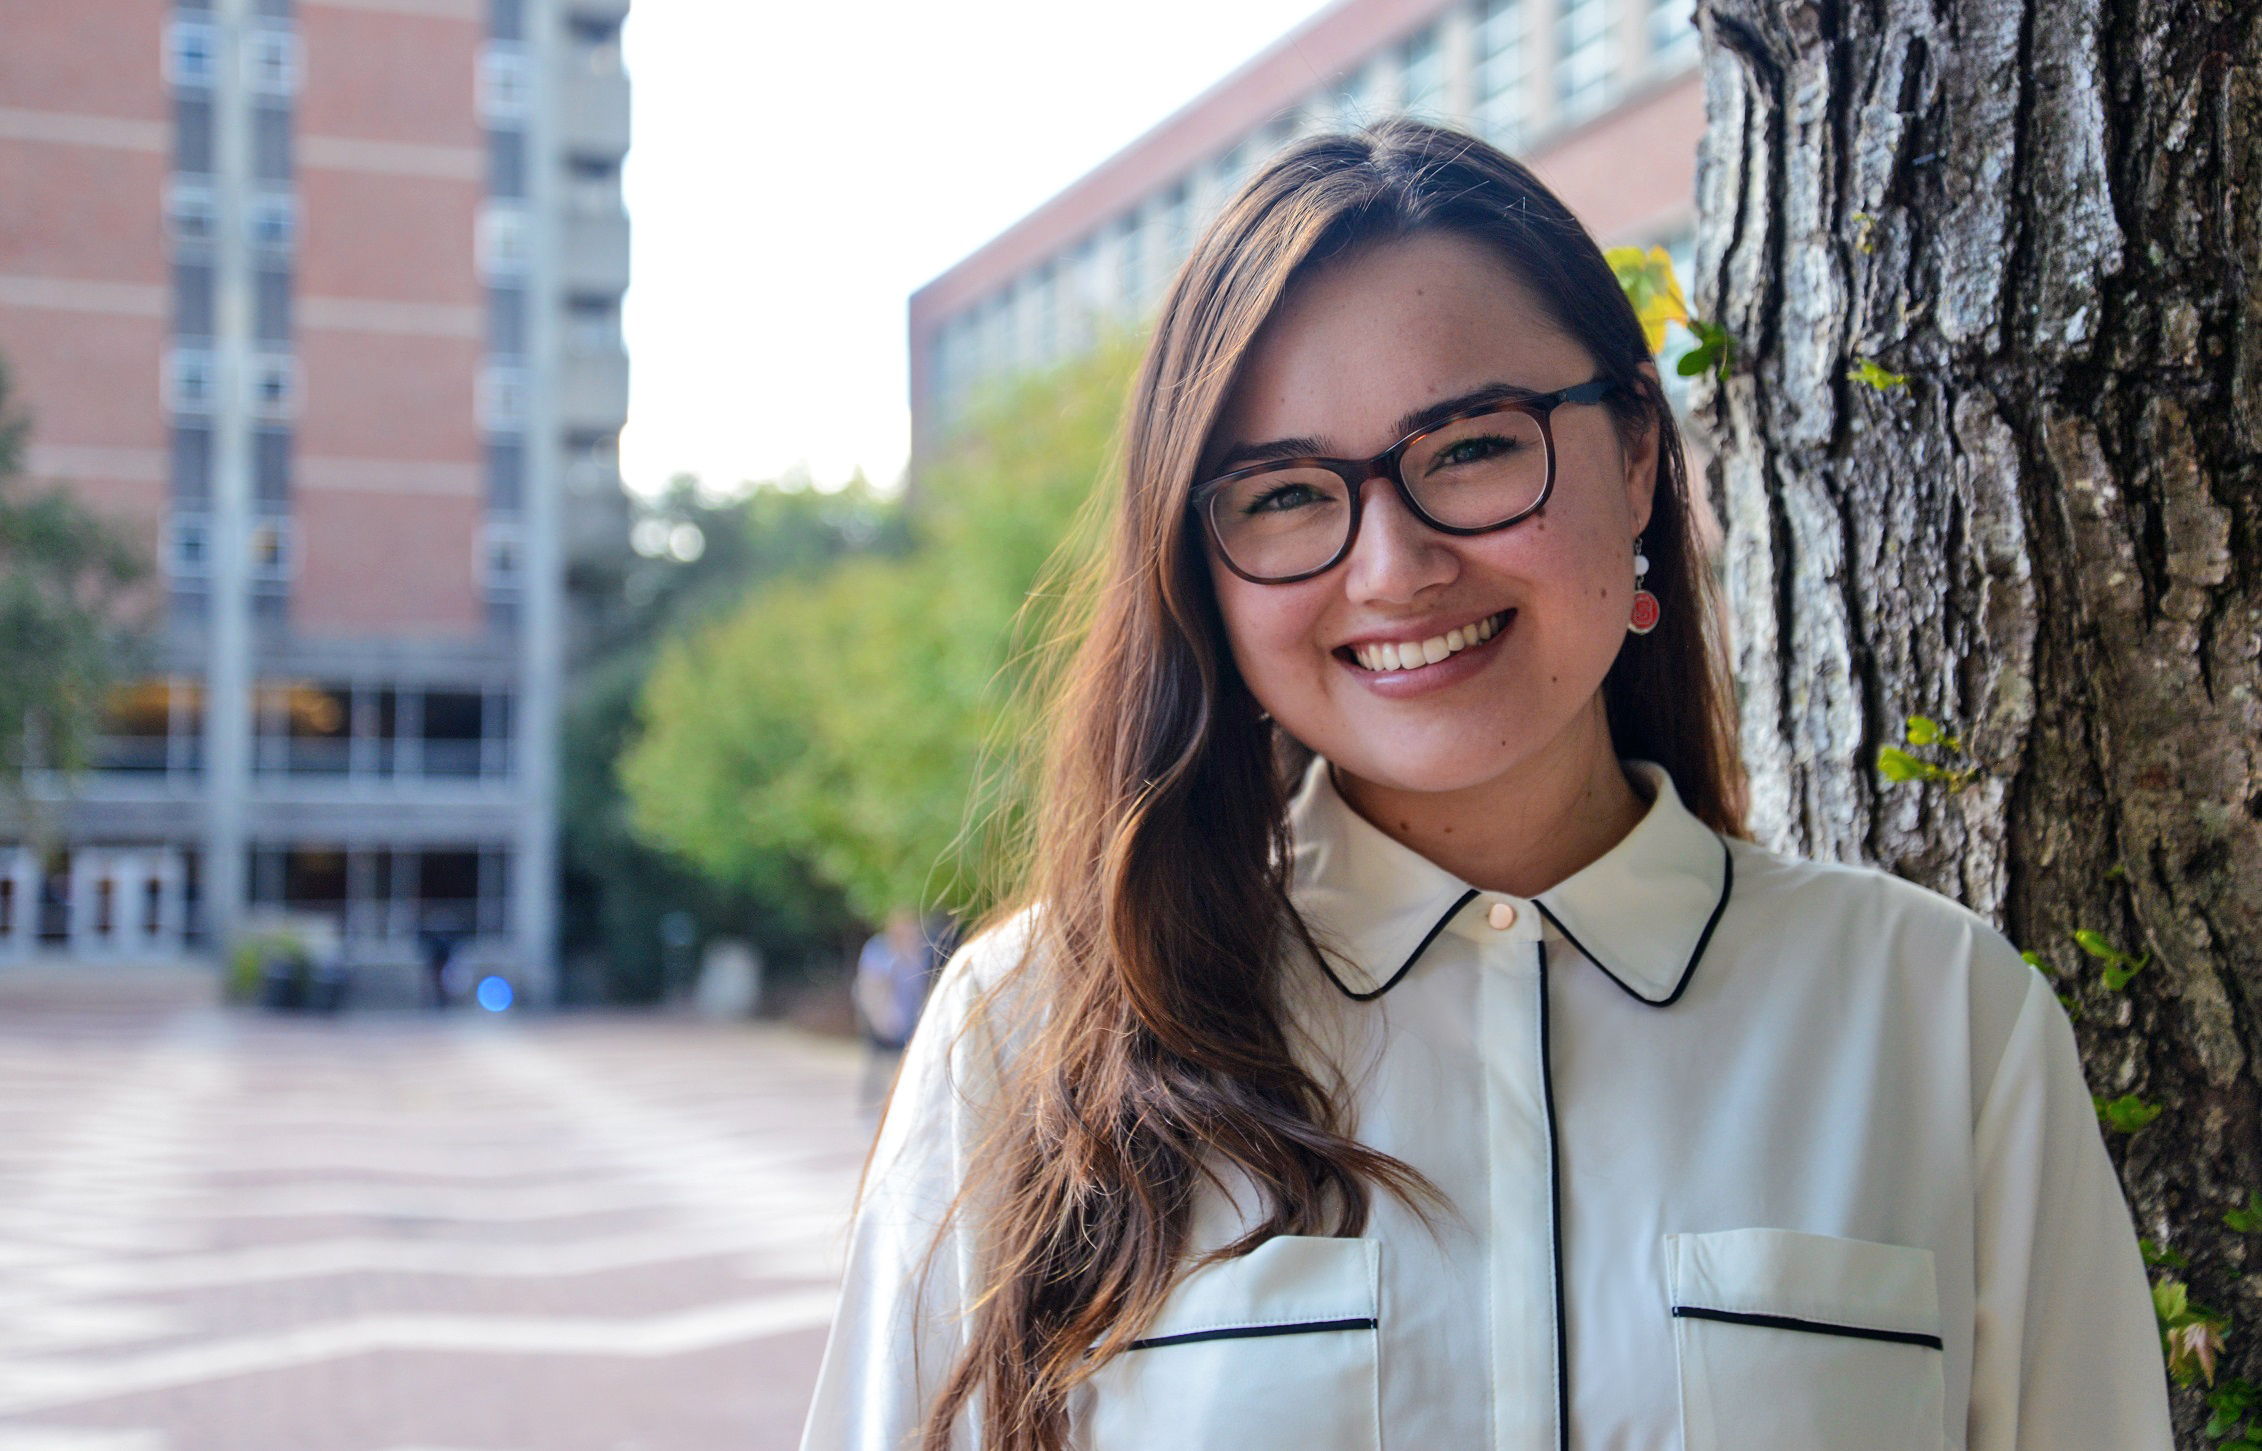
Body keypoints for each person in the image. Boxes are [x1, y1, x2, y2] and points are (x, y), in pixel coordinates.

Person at [803, 121, 2171, 1451]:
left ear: (1636, 452)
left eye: (1469, 449)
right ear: (1200, 561)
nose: (1391, 566)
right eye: (1282, 492)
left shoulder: (1935, 1014)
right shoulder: (1030, 1032)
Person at [853, 908, 939, 1108]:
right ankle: (876, 1103)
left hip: (911, 1019)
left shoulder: (920, 950)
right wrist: (884, 1022)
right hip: (885, 1020)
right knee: (878, 1063)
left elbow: (924, 985)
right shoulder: (878, 949)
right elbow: (872, 988)